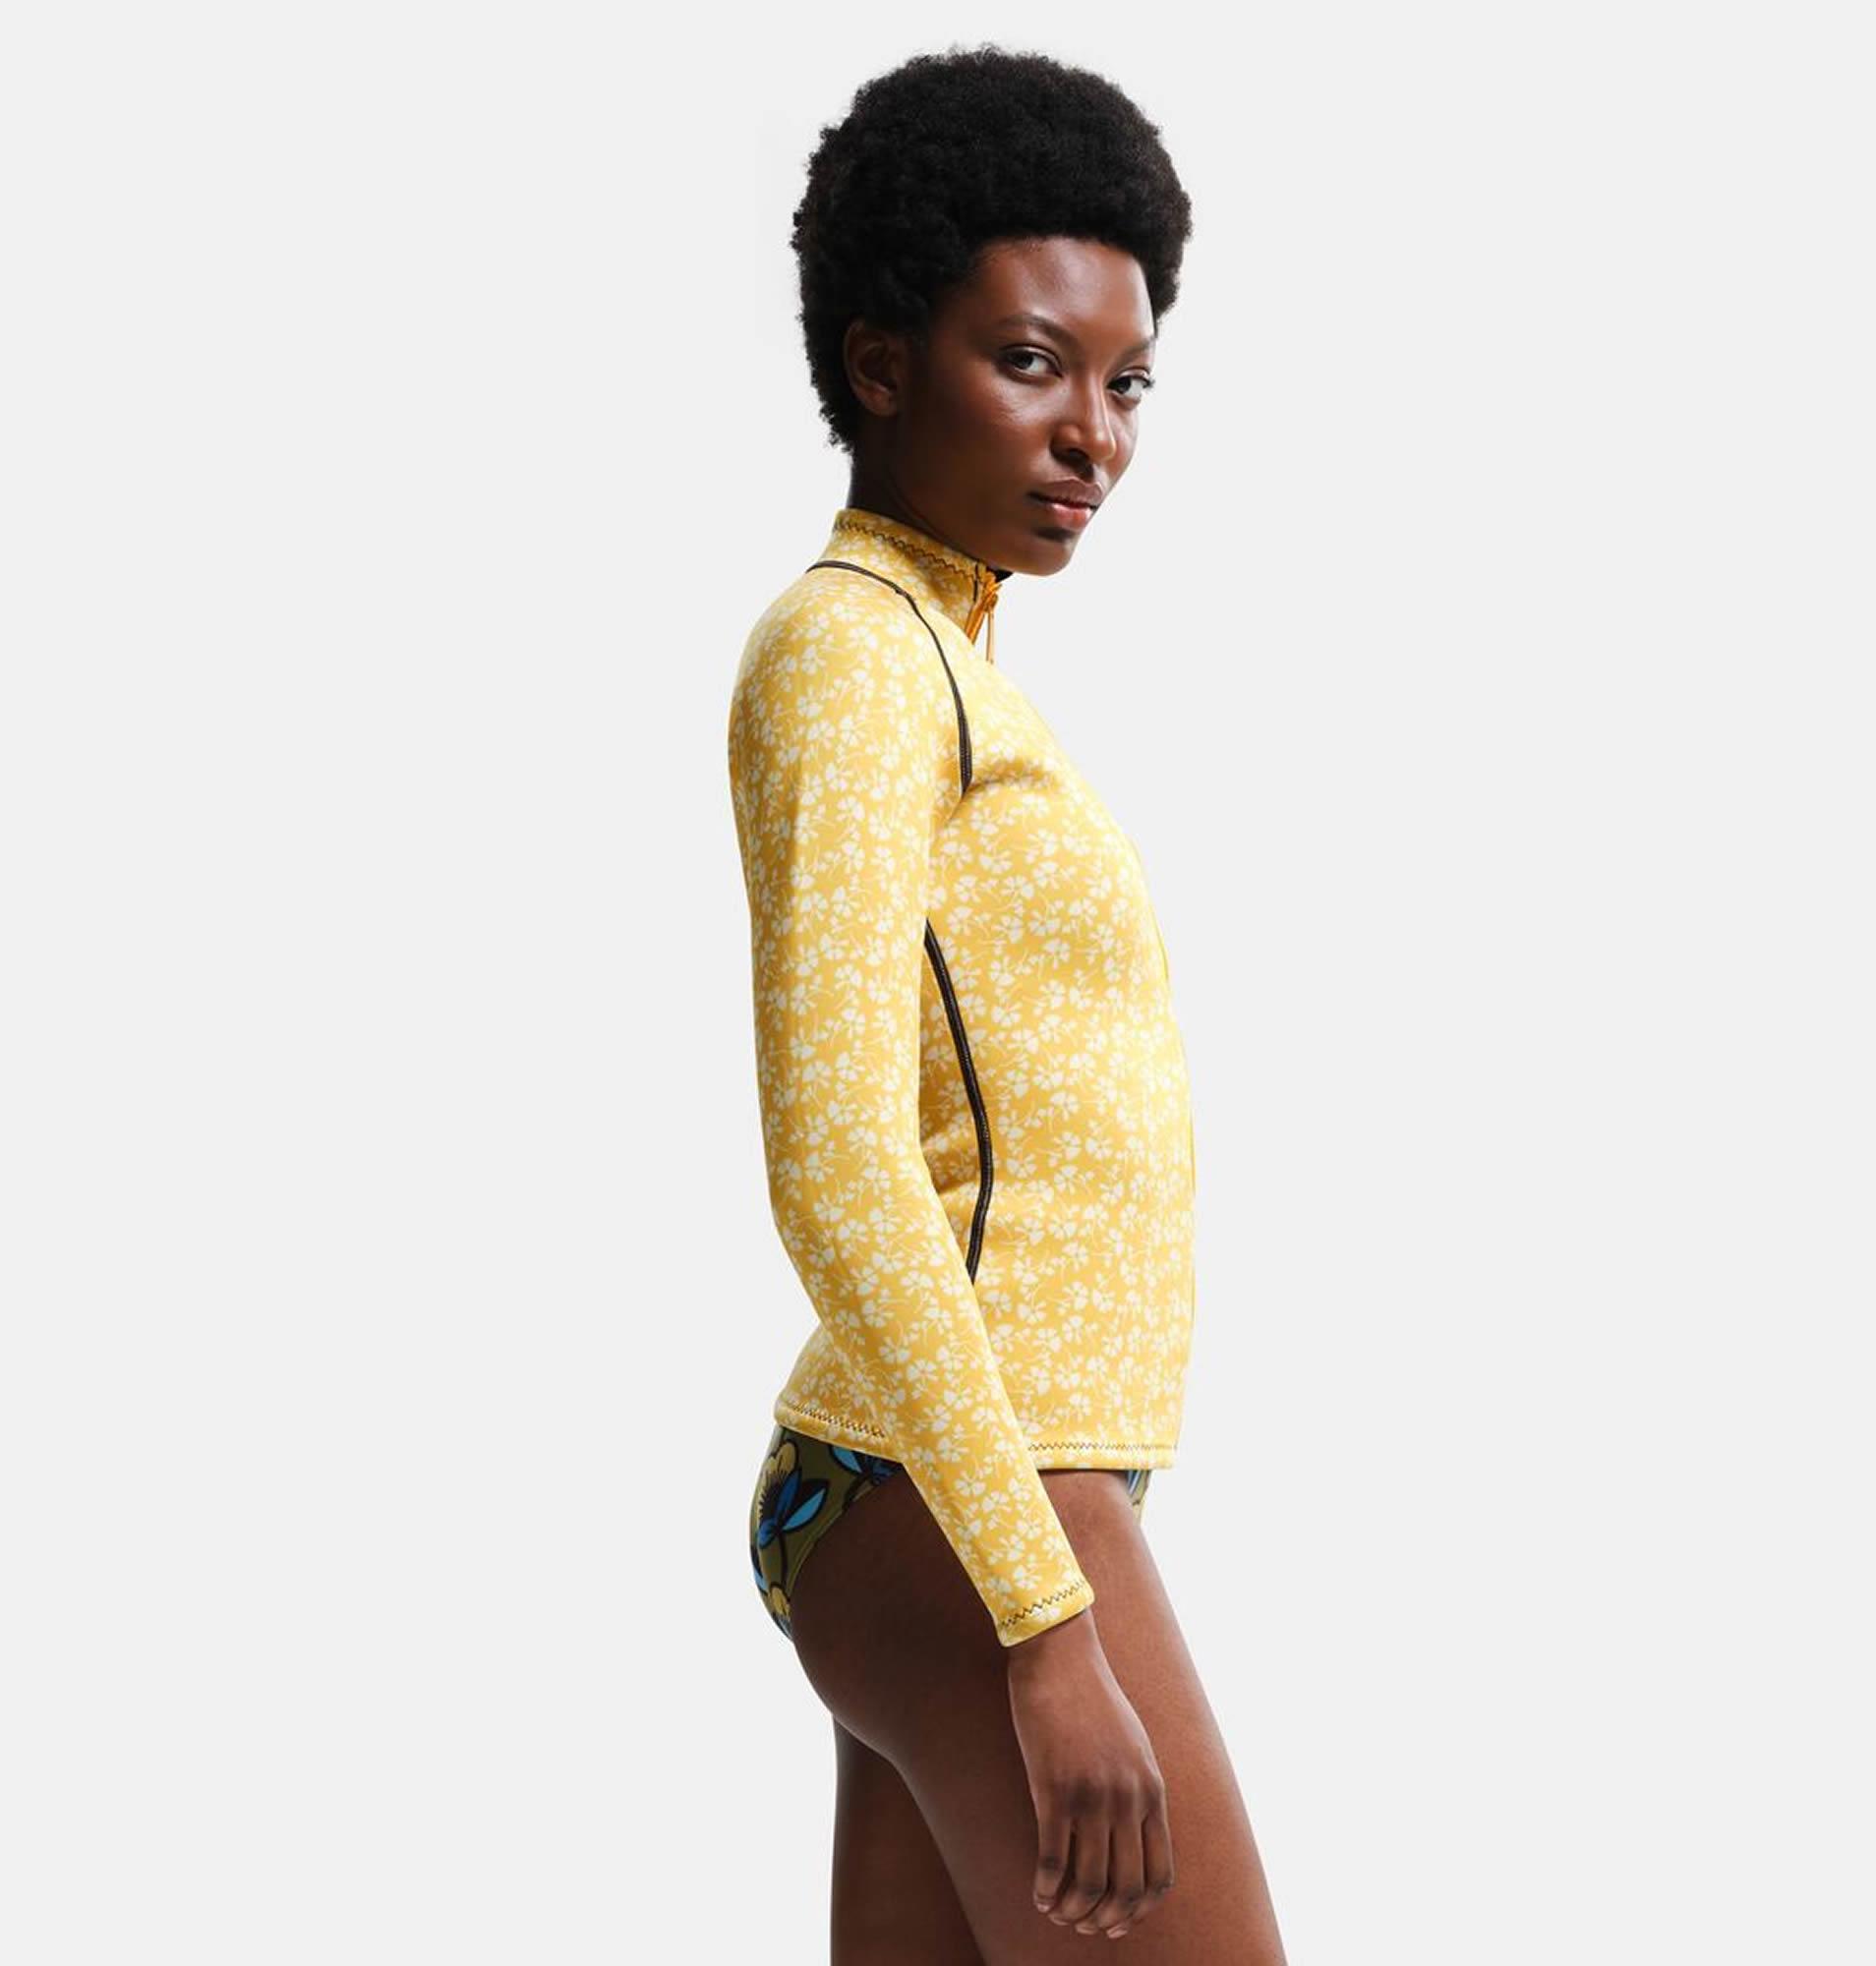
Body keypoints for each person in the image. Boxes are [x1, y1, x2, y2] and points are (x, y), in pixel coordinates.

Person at [727, 45, 1287, 1961]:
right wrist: (1044, 1617)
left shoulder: (949, 667)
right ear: (883, 364)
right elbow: (835, 1160)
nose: (1092, 437)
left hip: (950, 1483)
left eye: (1126, 384)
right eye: (1032, 363)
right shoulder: (855, 655)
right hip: (973, 1494)